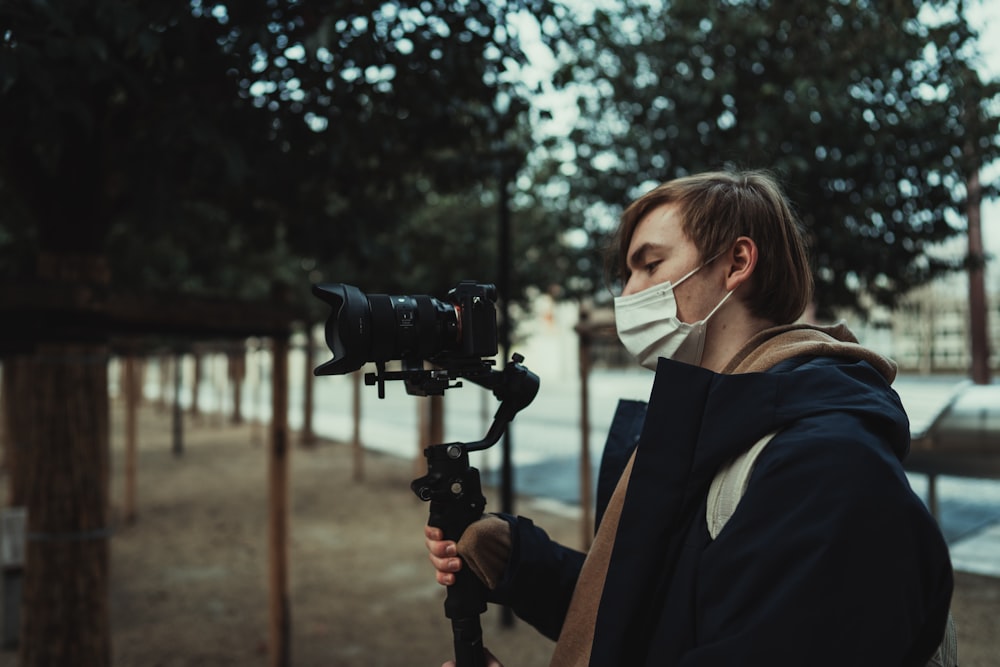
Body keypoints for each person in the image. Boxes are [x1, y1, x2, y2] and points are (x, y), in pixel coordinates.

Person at [426, 169, 954, 666]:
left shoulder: (827, 464)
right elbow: (651, 616)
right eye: (627, 273)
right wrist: (517, 559)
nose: (628, 294)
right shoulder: (704, 425)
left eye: (650, 265)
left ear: (737, 262)